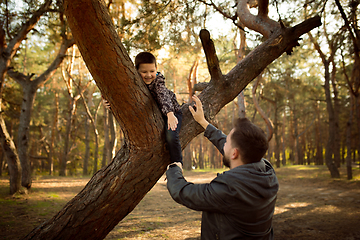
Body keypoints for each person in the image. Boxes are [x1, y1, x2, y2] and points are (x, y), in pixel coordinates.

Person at [166, 95, 279, 239]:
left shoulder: (229, 189)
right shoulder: (267, 172)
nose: (224, 142)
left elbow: (183, 192)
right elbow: (227, 143)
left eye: (228, 142)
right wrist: (203, 122)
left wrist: (174, 168)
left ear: (234, 153)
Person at [134, 52, 183, 165]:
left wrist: (170, 114)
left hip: (172, 112)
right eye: (144, 72)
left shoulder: (158, 80)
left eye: (152, 71)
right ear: (136, 71)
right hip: (157, 114)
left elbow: (163, 96)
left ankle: (177, 164)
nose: (149, 75)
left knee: (171, 135)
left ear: (156, 69)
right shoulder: (134, 83)